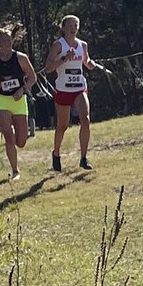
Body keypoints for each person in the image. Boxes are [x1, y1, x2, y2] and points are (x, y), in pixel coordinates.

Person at [0, 29, 37, 181]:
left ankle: (13, 128)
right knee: (8, 138)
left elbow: (33, 78)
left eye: (8, 40)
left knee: (21, 141)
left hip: (18, 100)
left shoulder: (21, 58)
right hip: (1, 100)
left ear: (13, 41)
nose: (5, 44)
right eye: (2, 41)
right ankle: (15, 170)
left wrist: (23, 89)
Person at [43, 15, 97, 172]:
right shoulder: (58, 45)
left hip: (79, 87)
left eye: (76, 25)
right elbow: (48, 68)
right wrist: (65, 59)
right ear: (64, 28)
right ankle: (56, 153)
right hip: (63, 89)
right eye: (70, 25)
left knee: (85, 119)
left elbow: (86, 61)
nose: (73, 28)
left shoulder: (83, 45)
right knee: (62, 126)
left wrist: (90, 64)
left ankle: (83, 158)